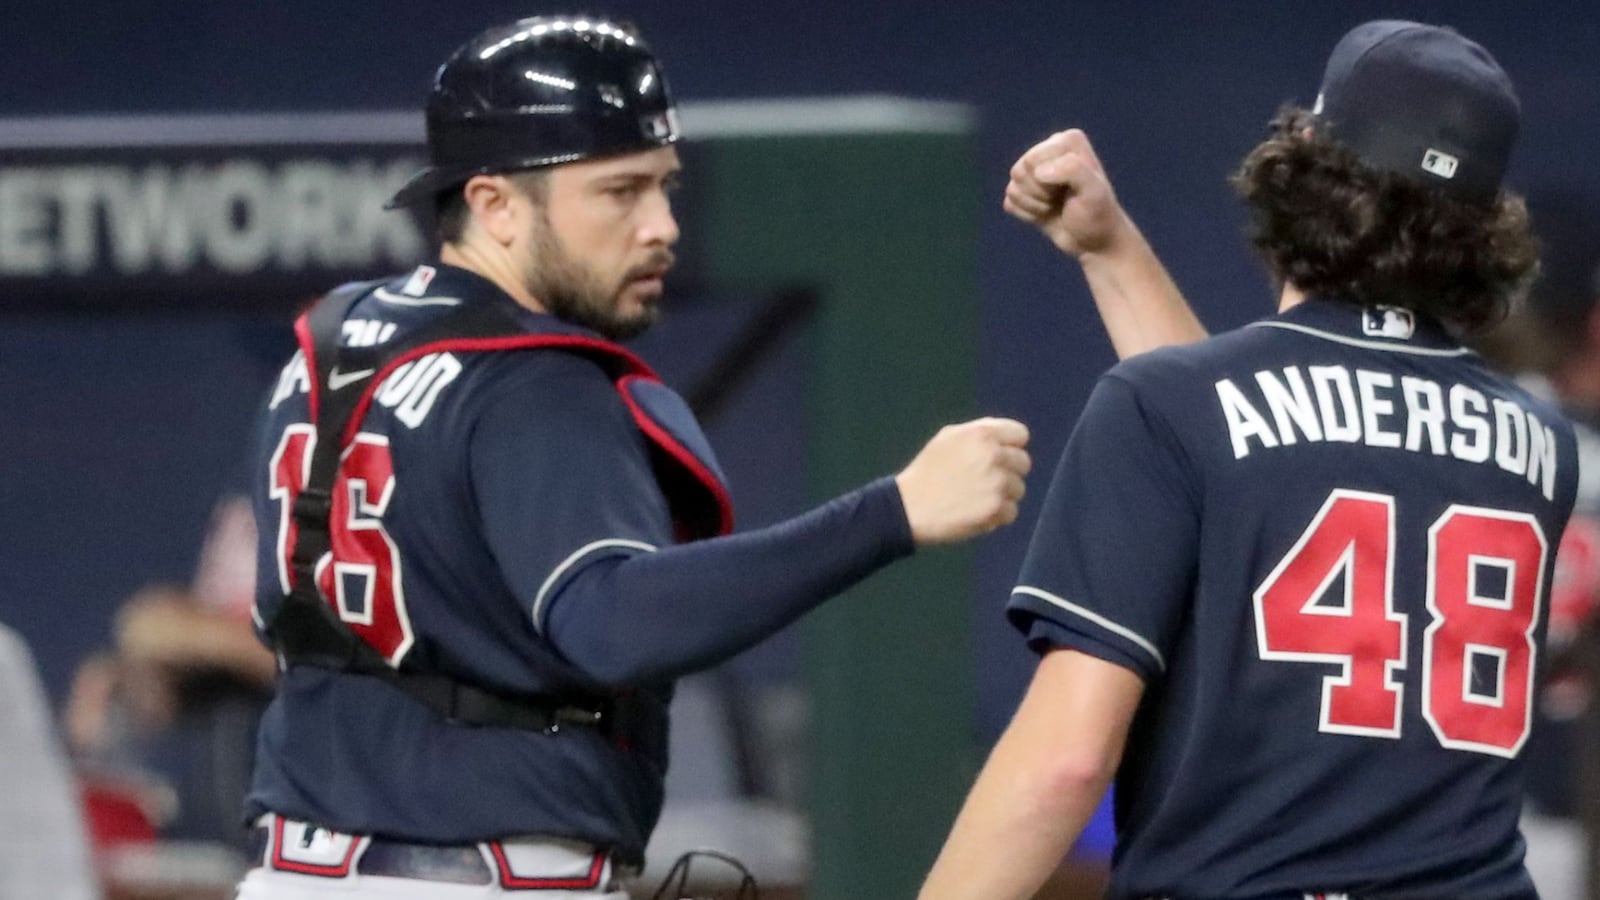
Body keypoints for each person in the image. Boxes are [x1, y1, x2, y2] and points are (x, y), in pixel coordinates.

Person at [235, 15, 1034, 898]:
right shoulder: (537, 384)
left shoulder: (333, 338)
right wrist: (895, 512)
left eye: (664, 186)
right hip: (487, 877)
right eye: (619, 192)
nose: (661, 226)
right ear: (494, 203)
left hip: (294, 873)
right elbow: (615, 624)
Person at [921, 20, 1574, 900]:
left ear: (1303, 175)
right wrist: (1111, 249)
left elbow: (1065, 764)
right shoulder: (1535, 442)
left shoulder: (1164, 408)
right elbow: (1254, 451)